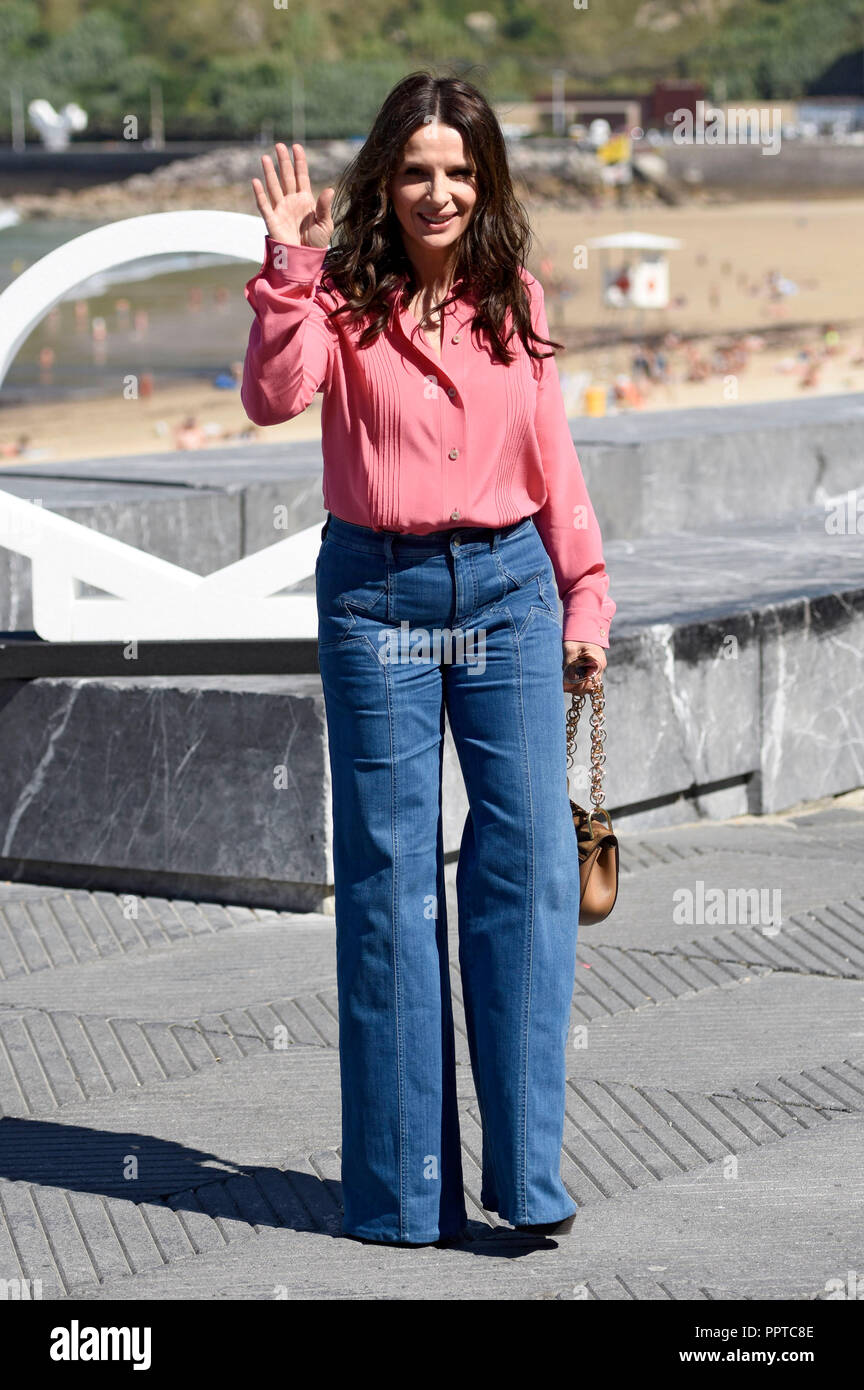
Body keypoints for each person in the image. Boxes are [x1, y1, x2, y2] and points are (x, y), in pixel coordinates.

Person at [241, 72, 616, 1247]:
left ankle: (529, 1179)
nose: (438, 191)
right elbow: (268, 396)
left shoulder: (517, 297)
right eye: (416, 171)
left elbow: (553, 461)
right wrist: (288, 265)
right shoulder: (338, 296)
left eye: (459, 170)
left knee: (527, 865)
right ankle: (402, 1194)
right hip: (378, 600)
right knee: (392, 883)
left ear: (484, 180)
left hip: (509, 588)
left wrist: (586, 597)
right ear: (385, 183)